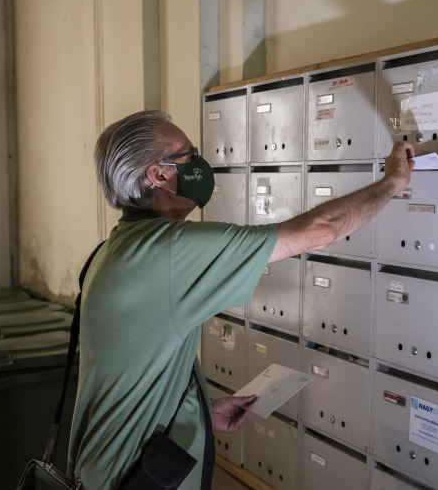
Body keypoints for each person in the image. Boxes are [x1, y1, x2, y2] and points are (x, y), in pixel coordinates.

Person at [68, 110, 414, 489]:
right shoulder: (167, 252)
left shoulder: (118, 248)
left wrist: (199, 412)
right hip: (133, 477)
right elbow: (320, 230)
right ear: (159, 175)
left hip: (109, 467)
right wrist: (392, 182)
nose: (200, 163)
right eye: (188, 154)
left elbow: (142, 365)